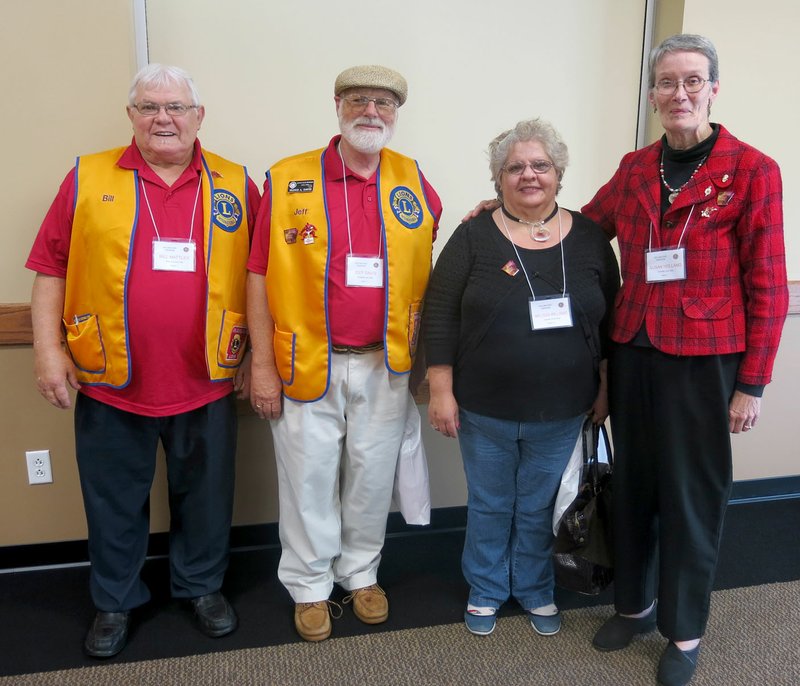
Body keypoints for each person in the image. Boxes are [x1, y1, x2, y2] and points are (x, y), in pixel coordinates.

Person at [26, 64, 260, 658]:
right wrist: (48, 353)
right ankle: (115, 599)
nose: (164, 118)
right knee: (112, 499)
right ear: (130, 114)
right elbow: (51, 267)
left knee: (206, 498)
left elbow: (266, 274)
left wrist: (262, 359)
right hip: (109, 378)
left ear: (198, 117)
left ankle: (201, 587)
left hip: (206, 376)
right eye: (150, 106)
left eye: (177, 107)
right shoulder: (87, 176)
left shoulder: (235, 183)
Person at [581, 35, 788, 686]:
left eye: (693, 81)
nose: (680, 94)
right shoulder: (636, 166)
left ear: (714, 89)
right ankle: (634, 606)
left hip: (705, 360)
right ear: (652, 96)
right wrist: (509, 219)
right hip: (634, 349)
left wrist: (751, 384)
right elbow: (586, 230)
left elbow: (769, 286)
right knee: (635, 487)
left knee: (692, 498)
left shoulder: (753, 170)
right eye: (667, 83)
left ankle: (684, 630)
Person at [246, 65, 442, 642]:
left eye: (384, 102)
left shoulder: (411, 177)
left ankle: (360, 573)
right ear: (337, 104)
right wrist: (259, 364)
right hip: (306, 360)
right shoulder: (287, 178)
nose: (371, 112)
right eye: (359, 99)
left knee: (371, 476)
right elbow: (257, 273)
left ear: (396, 113)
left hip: (386, 362)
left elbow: (431, 250)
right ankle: (309, 585)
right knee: (307, 478)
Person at [424, 119, 619, 638]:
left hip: (562, 408)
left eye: (541, 165)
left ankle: (535, 588)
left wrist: (604, 386)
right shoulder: (472, 236)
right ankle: (486, 587)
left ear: (558, 174)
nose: (529, 175)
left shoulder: (591, 239)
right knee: (490, 504)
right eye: (515, 167)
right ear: (498, 179)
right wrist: (440, 390)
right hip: (483, 407)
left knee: (537, 505)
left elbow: (610, 321)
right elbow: (440, 312)